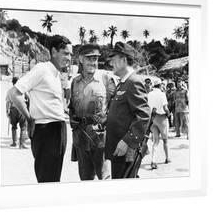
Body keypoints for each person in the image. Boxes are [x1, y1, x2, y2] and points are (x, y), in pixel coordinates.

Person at [8, 35, 72, 183]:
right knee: (47, 180)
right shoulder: (42, 69)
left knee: (54, 178)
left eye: (70, 54)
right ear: (54, 51)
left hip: (58, 129)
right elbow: (14, 93)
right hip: (47, 130)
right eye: (66, 53)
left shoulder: (56, 74)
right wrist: (29, 119)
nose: (69, 58)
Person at [69, 44, 116, 181]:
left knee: (104, 177)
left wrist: (107, 118)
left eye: (95, 59)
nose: (93, 62)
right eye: (89, 59)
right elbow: (72, 106)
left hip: (100, 137)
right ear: (81, 59)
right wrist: (72, 117)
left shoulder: (106, 79)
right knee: (85, 178)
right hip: (81, 136)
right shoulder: (74, 82)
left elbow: (116, 105)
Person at [105, 42, 150, 179]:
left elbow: (144, 115)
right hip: (118, 149)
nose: (111, 63)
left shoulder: (133, 82)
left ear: (123, 60)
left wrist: (127, 141)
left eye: (113, 59)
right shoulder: (123, 83)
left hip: (125, 150)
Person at [147, 78, 171, 170]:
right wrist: (169, 114)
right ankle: (167, 158)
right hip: (162, 118)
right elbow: (165, 108)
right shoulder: (162, 94)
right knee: (165, 140)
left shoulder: (149, 94)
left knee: (155, 141)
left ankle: (153, 160)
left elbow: (148, 107)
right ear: (160, 85)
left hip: (153, 118)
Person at [6, 77, 28, 148]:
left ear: (12, 83)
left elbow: (8, 102)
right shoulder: (23, 90)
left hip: (13, 109)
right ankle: (22, 144)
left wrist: (7, 111)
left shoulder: (10, 91)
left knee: (14, 126)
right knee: (23, 127)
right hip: (22, 109)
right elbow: (28, 98)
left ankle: (14, 142)